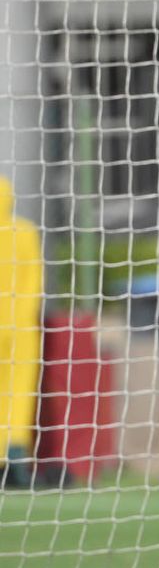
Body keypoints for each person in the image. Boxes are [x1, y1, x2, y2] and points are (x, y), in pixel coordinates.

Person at [0, 175, 42, 489]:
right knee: (18, 397)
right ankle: (15, 465)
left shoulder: (25, 231)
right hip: (20, 330)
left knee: (18, 395)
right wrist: (22, 316)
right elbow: (34, 281)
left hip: (19, 329)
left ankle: (14, 464)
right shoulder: (24, 231)